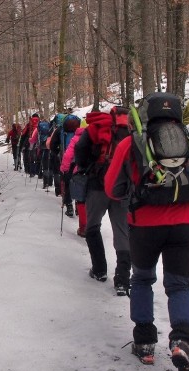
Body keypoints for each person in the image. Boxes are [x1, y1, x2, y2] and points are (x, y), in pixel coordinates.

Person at [104, 113, 189, 371]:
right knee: (179, 286)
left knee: (141, 279)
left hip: (144, 226)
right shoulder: (186, 141)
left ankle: (145, 343)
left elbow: (112, 189)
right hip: (185, 225)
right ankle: (182, 341)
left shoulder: (131, 143)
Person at [74, 106, 131, 296]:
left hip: (98, 184)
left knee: (92, 226)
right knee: (122, 231)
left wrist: (86, 167)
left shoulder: (96, 127)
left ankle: (99, 270)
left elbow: (80, 150)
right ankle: (122, 280)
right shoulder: (132, 130)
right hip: (123, 186)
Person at [60, 118, 88, 235]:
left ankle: (83, 227)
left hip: (79, 171)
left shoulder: (76, 138)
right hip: (97, 173)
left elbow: (68, 156)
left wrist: (64, 169)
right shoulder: (98, 136)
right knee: (91, 200)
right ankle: (93, 226)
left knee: (81, 199)